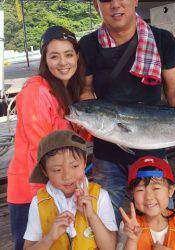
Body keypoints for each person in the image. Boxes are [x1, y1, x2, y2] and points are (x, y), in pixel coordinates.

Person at [79, 0, 175, 223]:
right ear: (96, 5)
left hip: (153, 152)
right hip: (106, 154)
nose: (115, 5)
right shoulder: (88, 46)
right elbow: (86, 92)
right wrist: (84, 116)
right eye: (106, 0)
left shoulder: (162, 40)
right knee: (105, 222)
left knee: (160, 221)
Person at [7, 26, 87, 250]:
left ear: (77, 57)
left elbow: (80, 135)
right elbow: (44, 148)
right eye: (54, 56)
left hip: (62, 186)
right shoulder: (37, 91)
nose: (63, 62)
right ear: (45, 59)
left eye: (68, 54)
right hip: (32, 192)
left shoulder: (70, 90)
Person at [23, 130, 117, 249]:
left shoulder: (100, 197)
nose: (67, 176)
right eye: (57, 170)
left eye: (75, 166)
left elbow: (109, 247)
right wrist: (50, 237)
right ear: (44, 171)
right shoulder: (38, 203)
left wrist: (92, 216)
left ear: (84, 163)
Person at [118, 156, 175, 250]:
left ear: (170, 190)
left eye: (156, 188)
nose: (148, 196)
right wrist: (131, 241)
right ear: (133, 193)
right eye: (140, 189)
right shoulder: (128, 226)